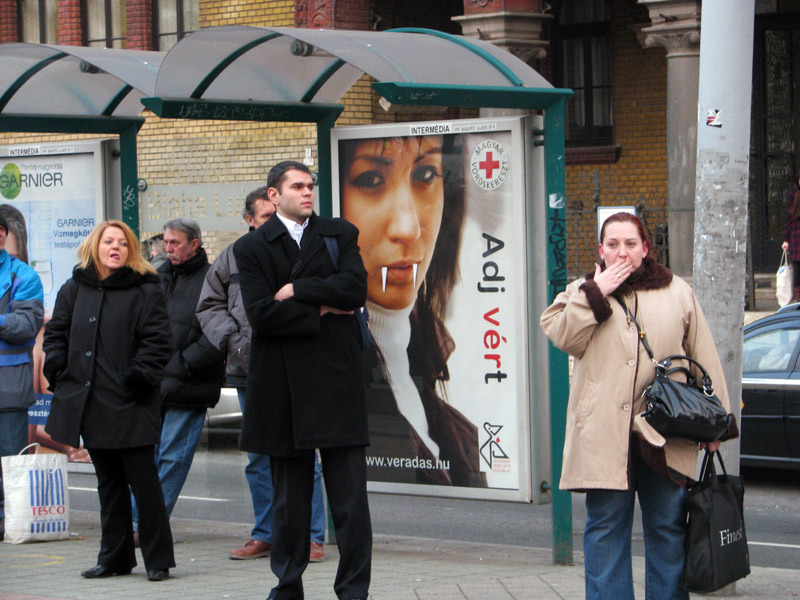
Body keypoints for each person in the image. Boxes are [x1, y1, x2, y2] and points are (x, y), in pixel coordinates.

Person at [539, 212, 739, 600]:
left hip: (666, 433)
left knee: (668, 527)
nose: (622, 252)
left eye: (630, 244)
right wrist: (596, 293)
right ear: (600, 250)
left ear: (645, 248)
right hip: (604, 435)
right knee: (605, 529)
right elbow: (563, 336)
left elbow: (704, 357)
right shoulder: (581, 291)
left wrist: (718, 425)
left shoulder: (677, 291)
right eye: (613, 244)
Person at [234, 161, 371, 600]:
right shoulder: (251, 246)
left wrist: (297, 290)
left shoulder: (338, 233)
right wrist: (326, 308)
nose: (307, 192)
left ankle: (354, 591)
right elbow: (262, 315)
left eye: (310, 185)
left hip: (337, 381)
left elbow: (355, 290)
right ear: (274, 195)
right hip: (282, 387)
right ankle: (287, 587)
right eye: (297, 186)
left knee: (350, 502)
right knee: (289, 504)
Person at [339, 135, 485, 487]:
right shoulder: (342, 366)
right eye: (371, 179)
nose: (408, 228)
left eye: (425, 175)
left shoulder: (423, 366)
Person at [196, 186, 327, 563]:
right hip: (250, 367)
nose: (275, 223)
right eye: (267, 217)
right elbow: (209, 304)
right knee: (258, 457)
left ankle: (310, 536)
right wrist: (235, 343)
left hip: (299, 364)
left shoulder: (304, 248)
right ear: (250, 221)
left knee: (304, 452)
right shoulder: (234, 255)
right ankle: (266, 533)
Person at [43, 220, 174, 581]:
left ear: (131, 251)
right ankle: (114, 559)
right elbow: (56, 334)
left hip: (131, 401)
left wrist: (137, 378)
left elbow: (159, 341)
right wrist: (58, 367)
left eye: (122, 243)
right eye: (108, 241)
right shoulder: (73, 288)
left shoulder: (146, 289)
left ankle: (158, 560)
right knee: (108, 484)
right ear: (95, 247)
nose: (115, 247)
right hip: (90, 401)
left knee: (144, 484)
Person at [131, 218, 225, 533]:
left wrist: (183, 364)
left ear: (194, 244)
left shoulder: (213, 277)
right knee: (147, 456)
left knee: (173, 458)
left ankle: (149, 525)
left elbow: (218, 333)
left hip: (189, 382)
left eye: (175, 243)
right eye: (166, 242)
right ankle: (138, 521)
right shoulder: (158, 276)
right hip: (154, 381)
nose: (168, 248)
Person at [0, 213, 44, 541]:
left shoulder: (23, 275)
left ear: (2, 236)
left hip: (8, 388)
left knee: (11, 463)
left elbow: (27, 325)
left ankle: (11, 522)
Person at [781, 167, 800, 303]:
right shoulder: (793, 194)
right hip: (796, 237)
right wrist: (786, 239)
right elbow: (789, 218)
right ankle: (798, 299)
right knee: (797, 271)